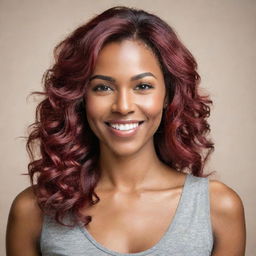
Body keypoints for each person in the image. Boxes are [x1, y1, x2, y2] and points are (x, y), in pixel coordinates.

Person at [6, 6, 246, 256]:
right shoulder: (33, 210)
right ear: (80, 97)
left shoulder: (218, 208)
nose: (123, 107)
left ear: (168, 95)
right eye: (102, 88)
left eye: (142, 86)